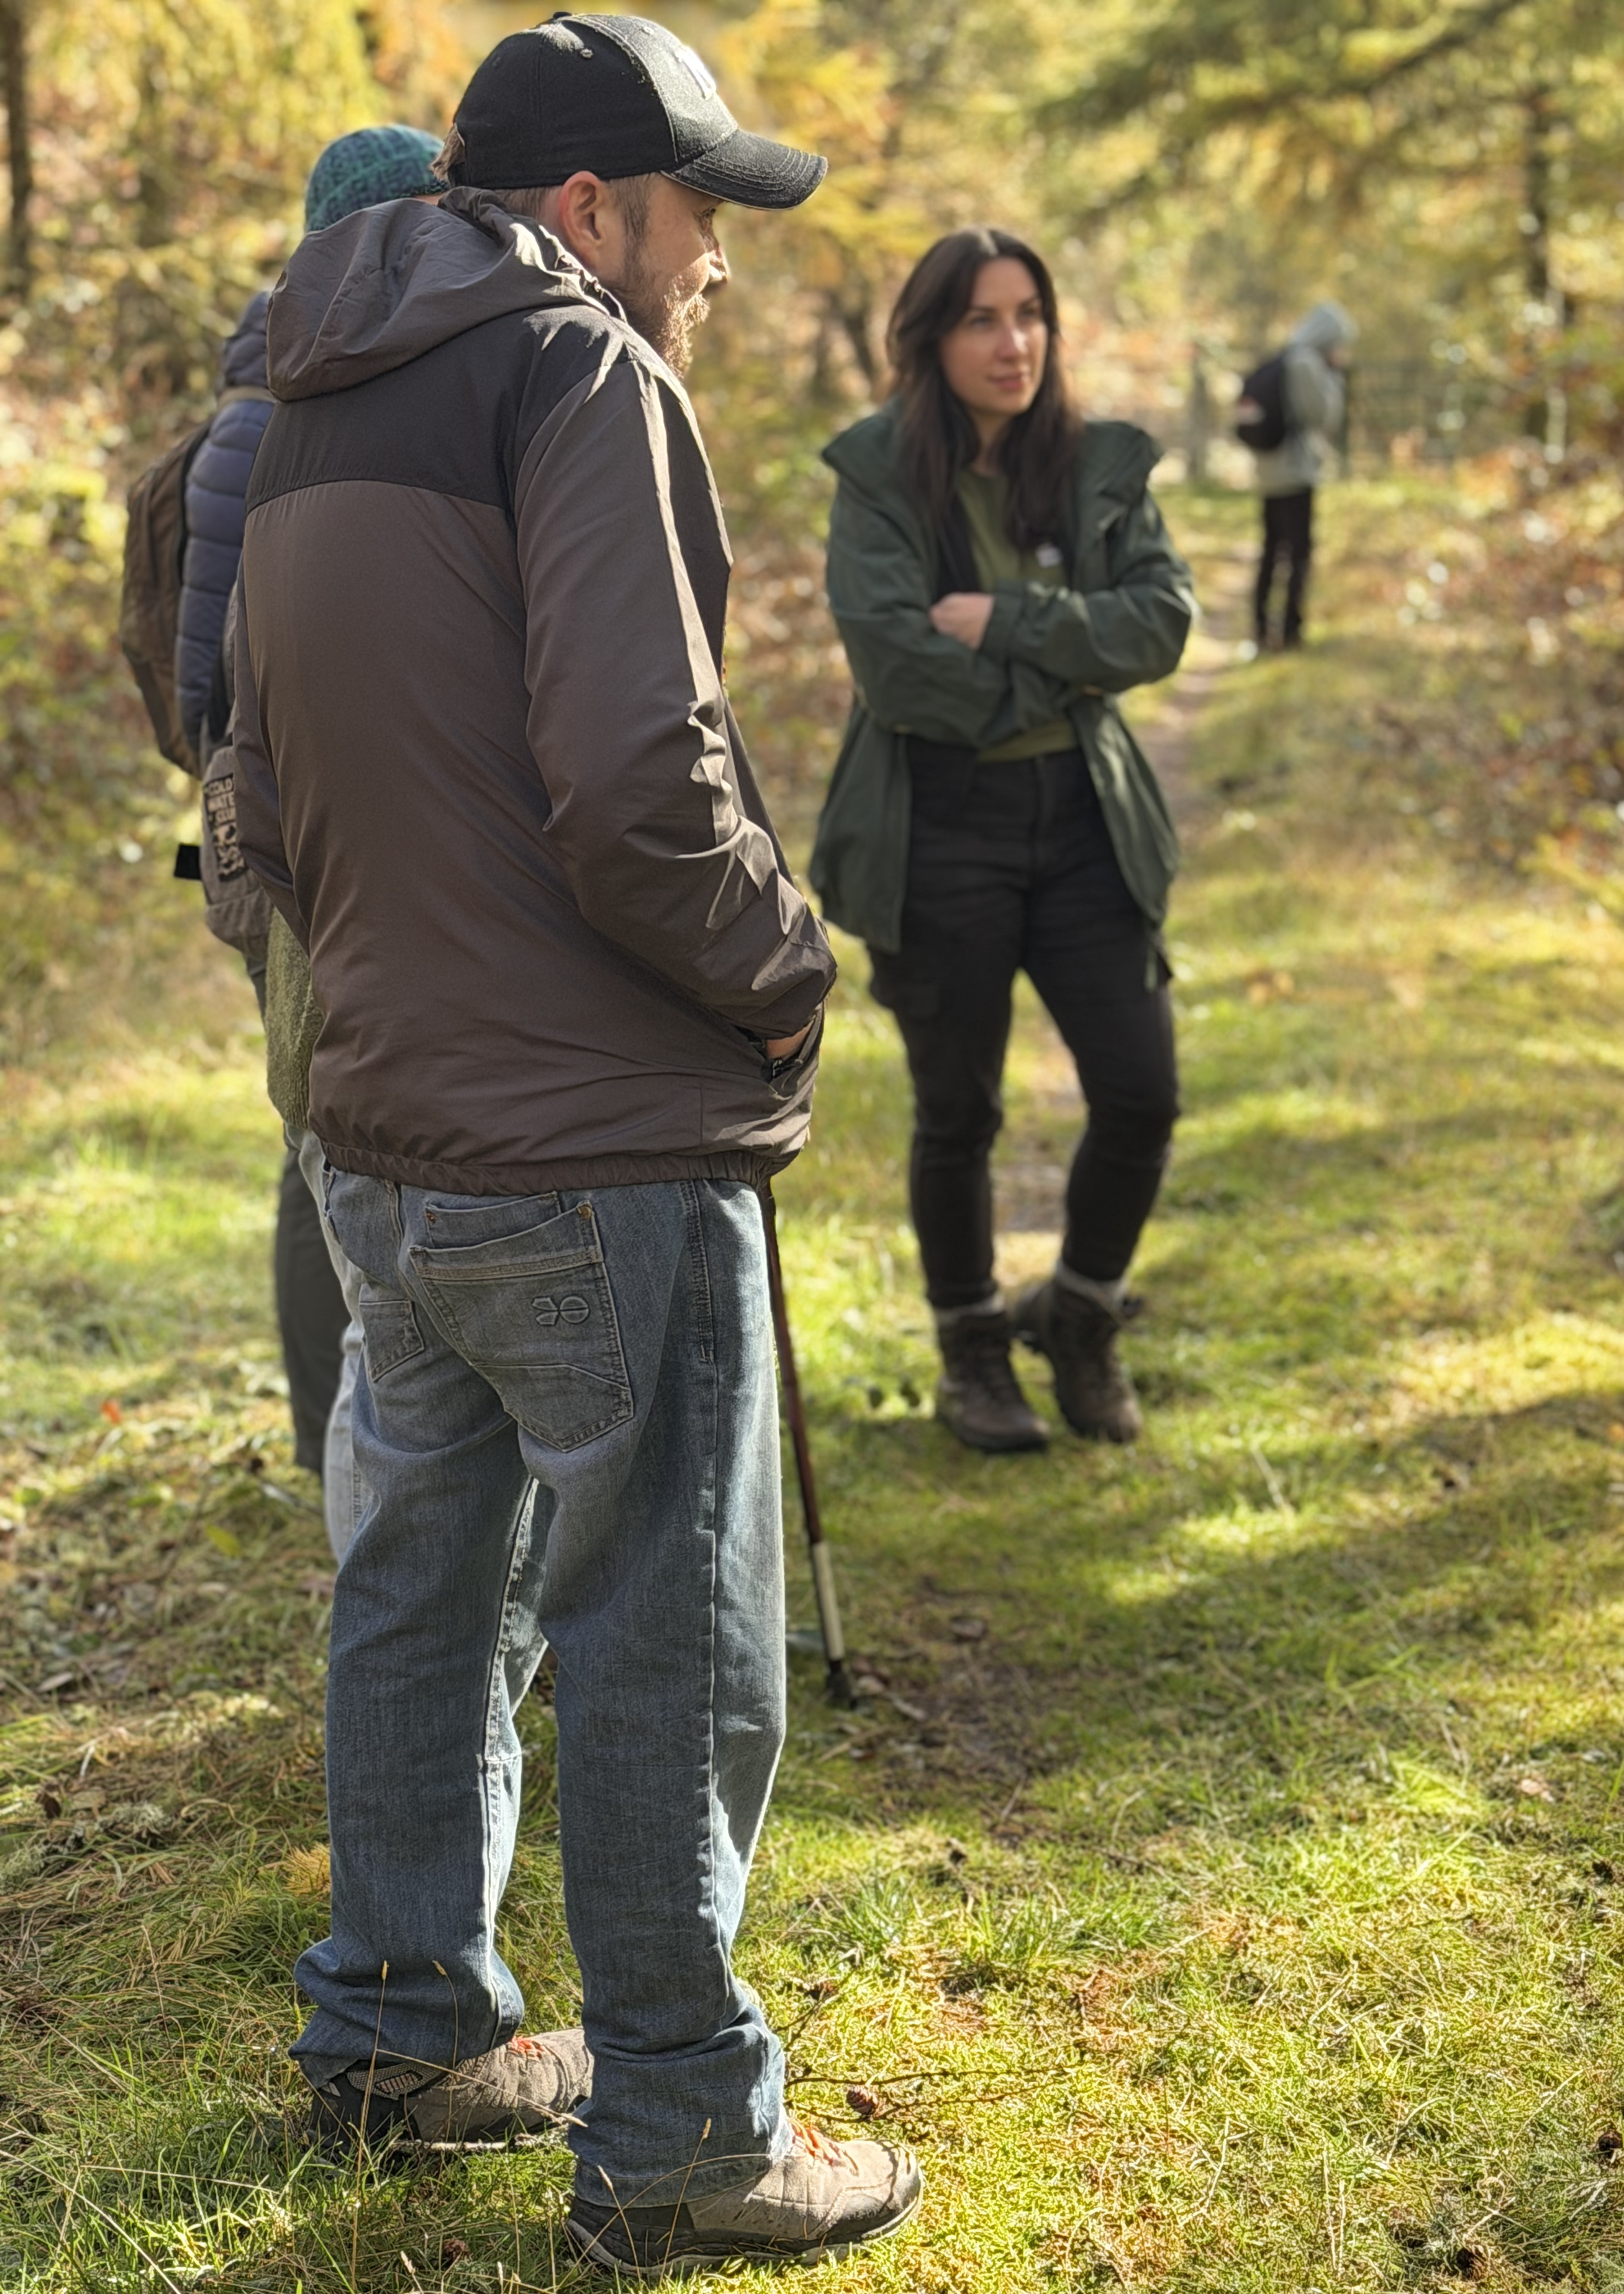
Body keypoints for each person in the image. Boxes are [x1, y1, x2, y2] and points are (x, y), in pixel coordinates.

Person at [233, 14, 921, 2277]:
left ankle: (404, 2031)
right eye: (701, 213)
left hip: (380, 1138)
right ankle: (689, 2135)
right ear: (591, 211)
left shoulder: (300, 391)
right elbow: (642, 780)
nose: (717, 265)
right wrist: (784, 960)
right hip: (585, 1137)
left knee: (415, 1597)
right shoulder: (579, 371)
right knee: (663, 1634)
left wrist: (355, 1018)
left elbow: (249, 787)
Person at [811, 226, 1194, 1453]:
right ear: (929, 340)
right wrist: (1067, 673)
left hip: (1083, 820)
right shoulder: (878, 471)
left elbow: (1161, 624)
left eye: (1030, 313)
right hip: (942, 816)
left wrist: (1018, 622)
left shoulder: (1093, 461)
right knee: (956, 1110)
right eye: (982, 318)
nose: (1014, 340)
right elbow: (897, 664)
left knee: (1142, 1088)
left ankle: (1078, 1314)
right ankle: (973, 1348)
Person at [176, 124, 445, 1538]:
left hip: (291, 833)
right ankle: (337, 1441)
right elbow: (210, 682)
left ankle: (348, 1436)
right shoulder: (269, 417)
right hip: (292, 847)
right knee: (325, 1136)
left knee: (329, 1131)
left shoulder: (278, 393)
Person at [1245, 299, 1357, 652]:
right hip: (1295, 474)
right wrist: (1335, 377)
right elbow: (1322, 415)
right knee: (1297, 554)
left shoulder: (1284, 356)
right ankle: (1290, 632)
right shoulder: (1307, 362)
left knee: (1270, 551)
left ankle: (1263, 629)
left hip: (1268, 472)